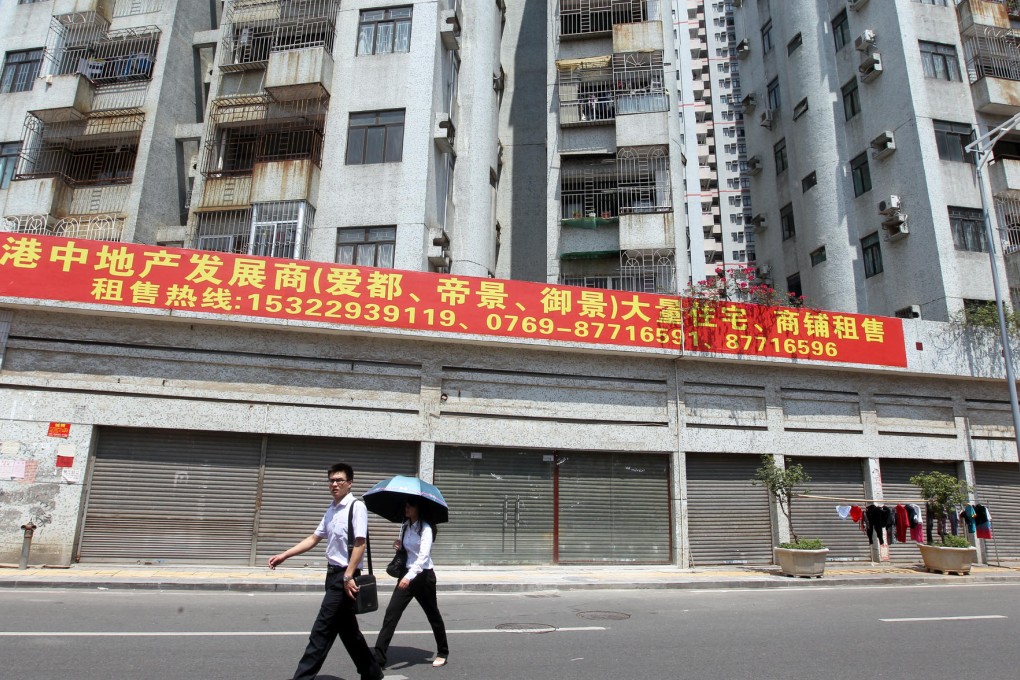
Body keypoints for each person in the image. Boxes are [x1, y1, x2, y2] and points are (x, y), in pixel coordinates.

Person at [269, 463, 384, 680]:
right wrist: (285, 555)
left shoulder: (356, 507)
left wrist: (349, 575)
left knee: (321, 631)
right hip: (332, 575)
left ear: (349, 483)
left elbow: (360, 544)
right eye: (331, 480)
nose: (334, 484)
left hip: (345, 576)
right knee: (348, 632)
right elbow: (314, 538)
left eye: (339, 480)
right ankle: (372, 672)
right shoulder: (331, 509)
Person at [373, 498, 450, 669]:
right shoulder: (405, 525)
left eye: (410, 505)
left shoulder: (426, 529)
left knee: (433, 616)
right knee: (391, 613)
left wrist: (409, 577)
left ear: (418, 508)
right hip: (406, 574)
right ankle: (378, 658)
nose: (406, 508)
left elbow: (423, 558)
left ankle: (443, 652)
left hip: (423, 577)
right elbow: (406, 552)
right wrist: (398, 546)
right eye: (405, 505)